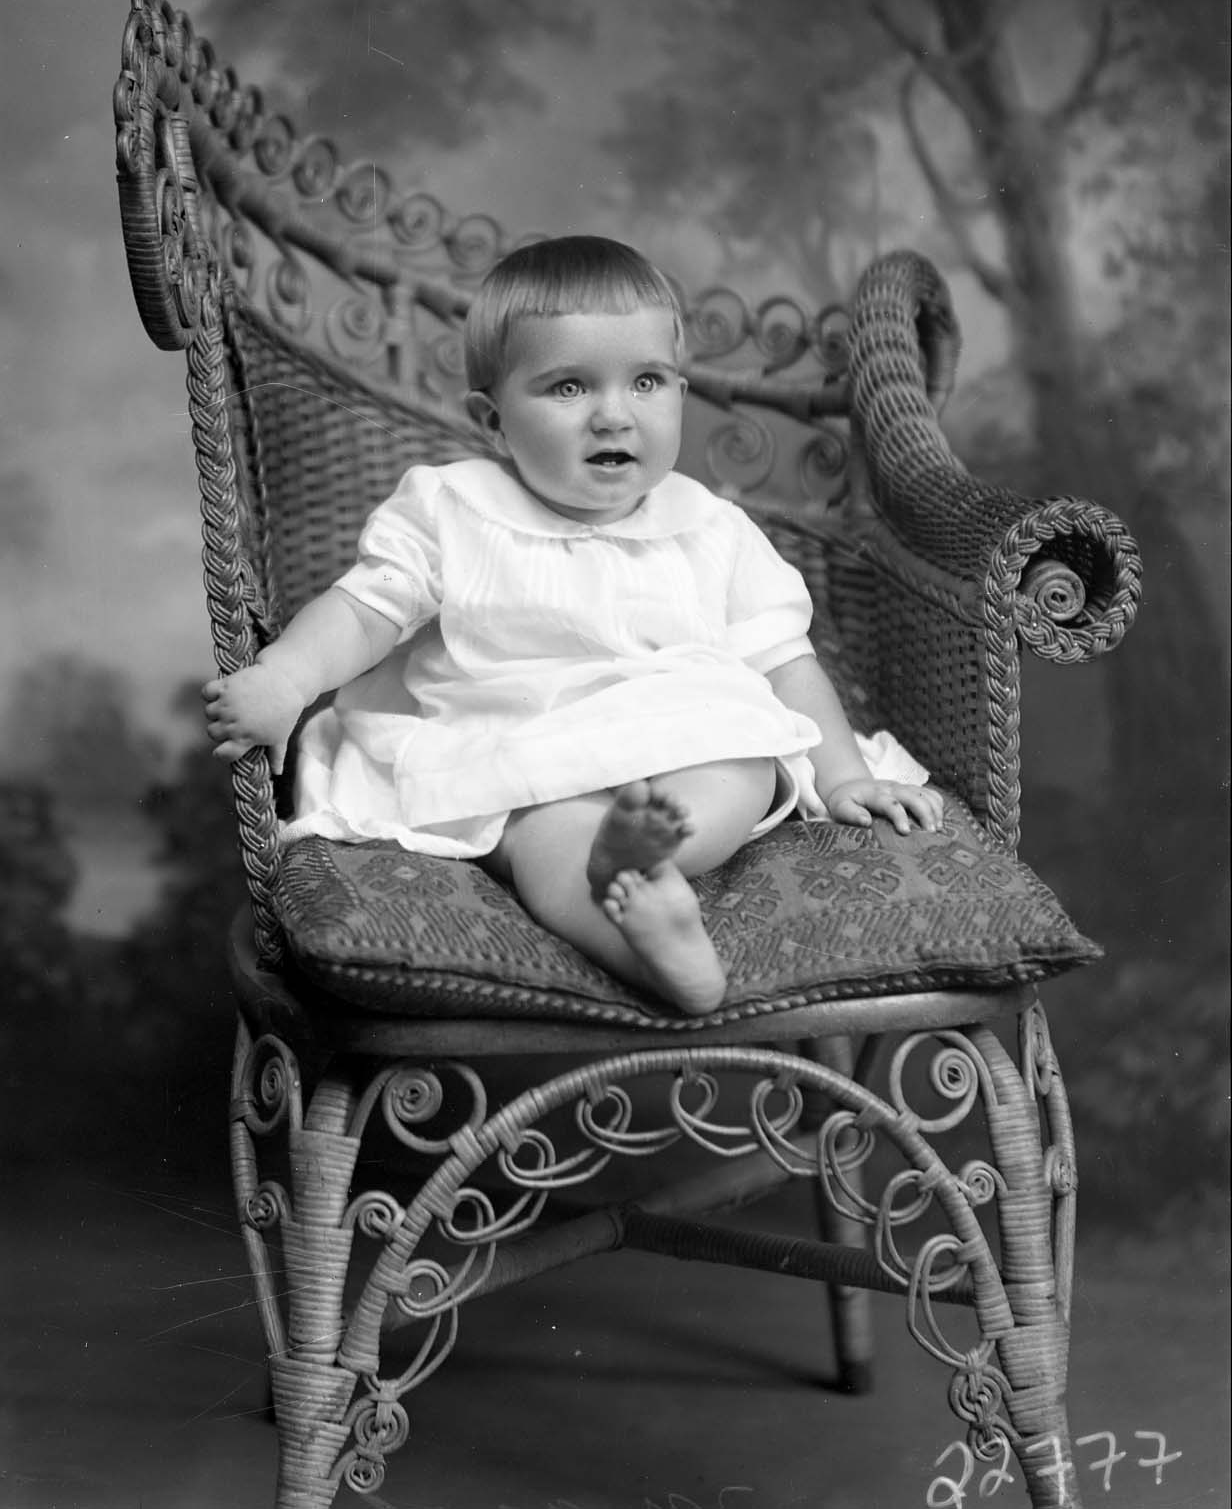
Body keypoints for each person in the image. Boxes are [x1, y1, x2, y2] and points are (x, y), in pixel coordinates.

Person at [204, 236, 943, 1015]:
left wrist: (843, 776)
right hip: (524, 749)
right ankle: (651, 942)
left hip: (681, 740)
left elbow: (785, 662)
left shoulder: (711, 527)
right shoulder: (453, 508)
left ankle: (651, 860)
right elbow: (363, 612)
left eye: (646, 382)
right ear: (493, 421)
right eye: (568, 387)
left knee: (746, 761)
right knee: (543, 843)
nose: (613, 415)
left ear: (680, 393)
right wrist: (287, 678)